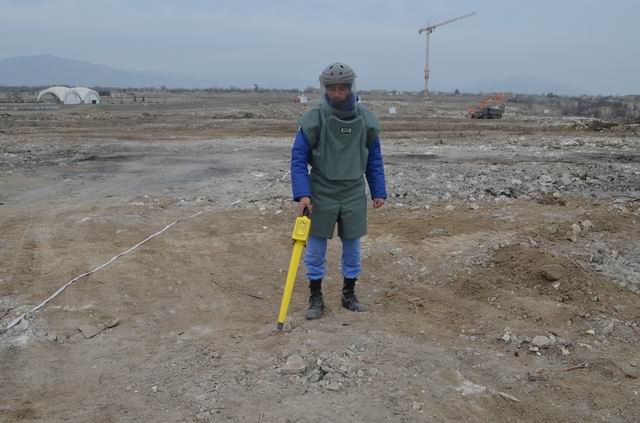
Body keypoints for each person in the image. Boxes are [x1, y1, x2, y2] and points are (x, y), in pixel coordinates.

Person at [290, 62, 387, 320]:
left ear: (351, 87)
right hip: (321, 190)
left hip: (353, 190)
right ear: (325, 88)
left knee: (352, 246)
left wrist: (378, 190)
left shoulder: (366, 120)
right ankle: (315, 296)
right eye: (332, 88)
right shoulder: (314, 119)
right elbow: (298, 158)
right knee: (315, 247)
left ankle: (349, 294)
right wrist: (303, 194)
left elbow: (374, 158)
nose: (337, 93)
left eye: (342, 88)